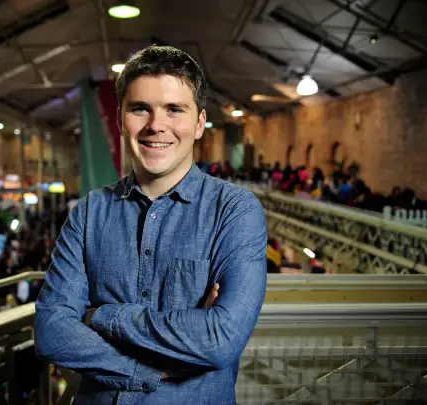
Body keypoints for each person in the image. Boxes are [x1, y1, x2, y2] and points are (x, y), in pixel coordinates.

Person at [34, 45, 267, 404]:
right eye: (140, 108)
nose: (156, 125)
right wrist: (149, 370)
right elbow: (52, 333)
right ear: (120, 119)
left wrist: (99, 317)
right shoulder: (89, 212)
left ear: (200, 123)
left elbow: (220, 339)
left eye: (175, 109)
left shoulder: (235, 211)